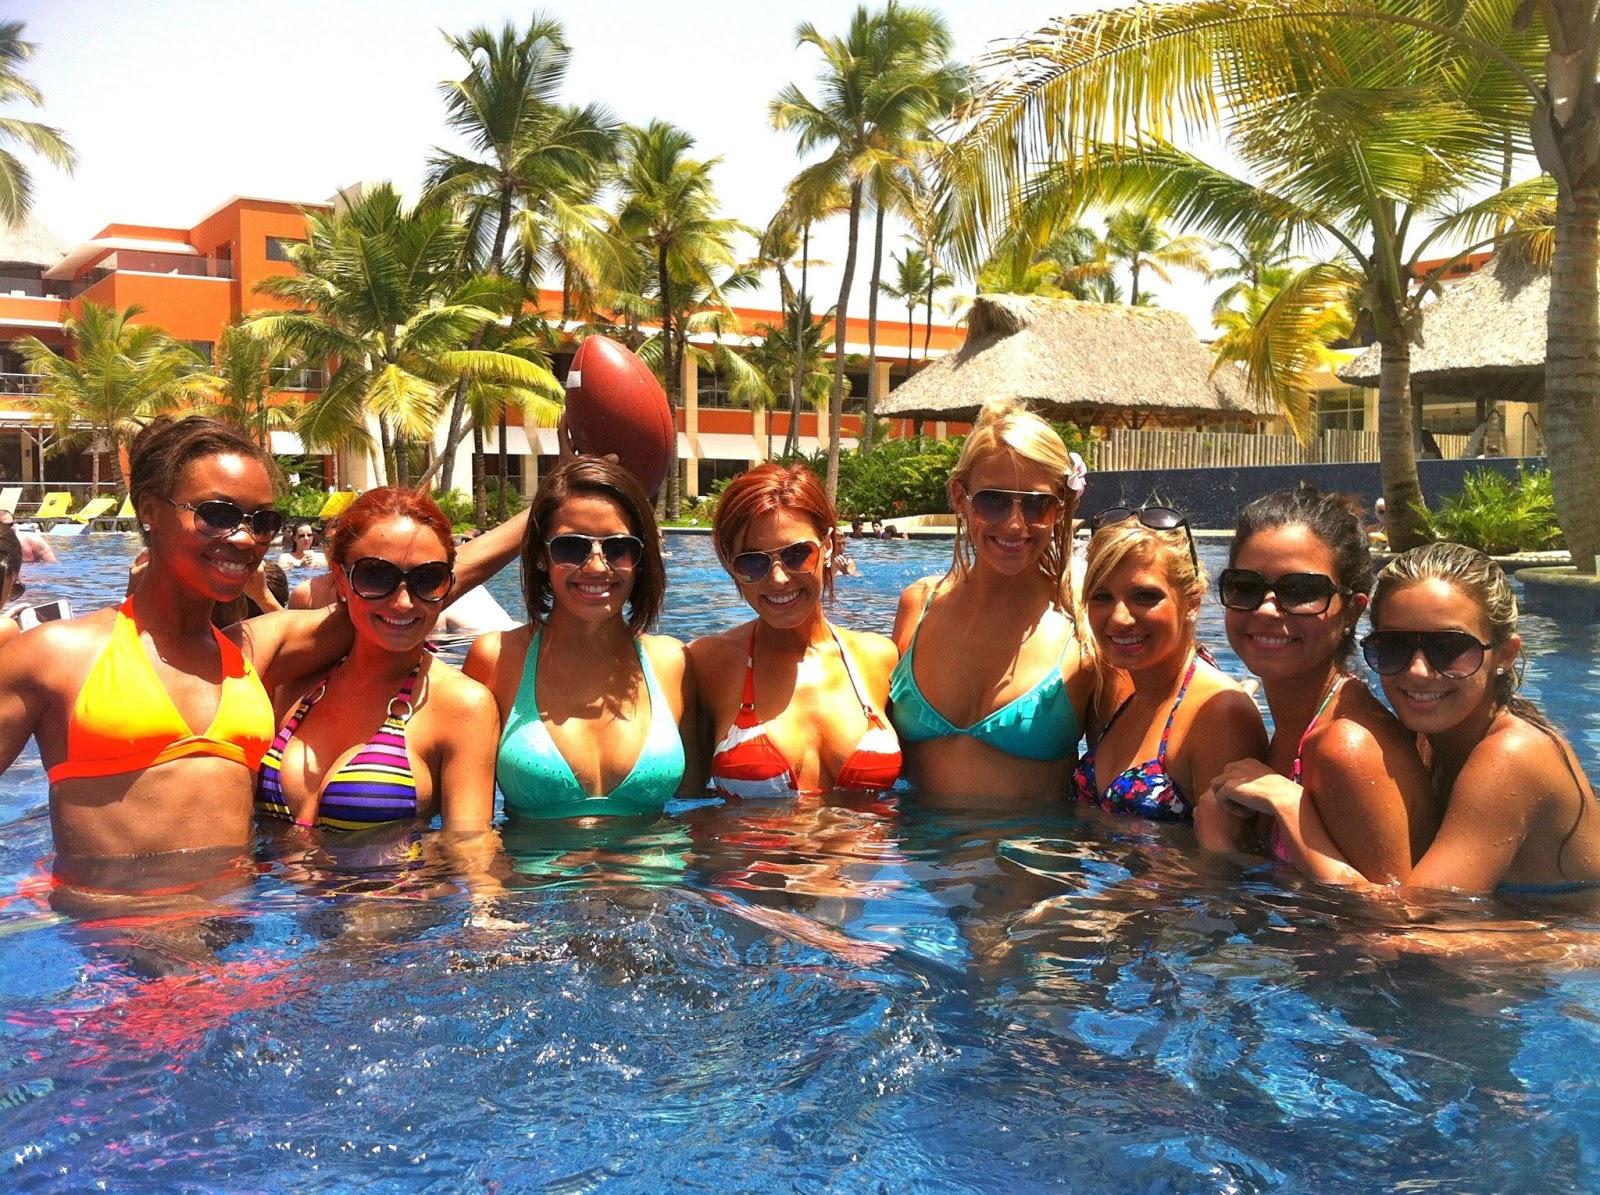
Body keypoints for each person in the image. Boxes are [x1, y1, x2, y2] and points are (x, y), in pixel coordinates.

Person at [0, 416, 527, 888]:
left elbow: (404, 589)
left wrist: (555, 497)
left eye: (261, 521)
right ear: (150, 512)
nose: (244, 538)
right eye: (216, 514)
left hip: (243, 954)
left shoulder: (254, 654)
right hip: (107, 965)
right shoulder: (52, 656)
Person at [1220, 544, 1600, 896]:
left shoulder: (1513, 756)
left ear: (1505, 654)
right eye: (1394, 647)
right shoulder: (1429, 740)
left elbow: (1414, 926)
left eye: (1450, 648)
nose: (1417, 671)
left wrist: (1290, 807)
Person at [1195, 486, 1436, 883]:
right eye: (1245, 587)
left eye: (1302, 591)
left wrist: (1230, 846)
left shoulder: (1346, 748)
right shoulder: (1296, 727)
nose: (1268, 608)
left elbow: (1395, 932)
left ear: (1352, 612)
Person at [255, 488, 498, 833]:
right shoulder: (296, 682)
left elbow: (470, 851)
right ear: (340, 578)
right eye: (375, 576)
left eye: (427, 579)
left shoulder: (462, 705)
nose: (403, 602)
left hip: (394, 887)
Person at [465, 457, 696, 819]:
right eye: (571, 547)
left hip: (656, 874)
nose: (596, 566)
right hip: (536, 877)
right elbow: (466, 826)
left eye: (618, 547)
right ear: (542, 556)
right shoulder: (496, 658)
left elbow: (699, 806)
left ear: (640, 558)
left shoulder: (673, 663)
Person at [890, 397, 1094, 802]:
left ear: (1061, 506)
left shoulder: (1083, 623)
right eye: (994, 500)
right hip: (918, 863)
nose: (1015, 524)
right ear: (960, 498)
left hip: (1031, 864)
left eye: (1037, 503)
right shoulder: (918, 606)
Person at [691, 463, 900, 798]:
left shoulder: (878, 658)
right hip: (748, 851)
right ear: (731, 566)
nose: (778, 579)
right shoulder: (708, 664)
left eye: (797, 554)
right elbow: (685, 803)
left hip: (871, 851)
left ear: (828, 546)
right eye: (752, 562)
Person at [1072, 509, 1267, 821]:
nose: (1119, 618)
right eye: (1101, 596)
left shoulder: (1219, 715)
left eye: (1145, 596)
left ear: (1192, 601)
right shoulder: (1129, 698)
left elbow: (1227, 863)